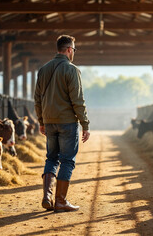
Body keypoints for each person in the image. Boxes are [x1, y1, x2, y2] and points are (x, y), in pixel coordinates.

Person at [34, 35, 90, 212]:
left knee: (51, 158)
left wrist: (41, 121)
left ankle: (47, 197)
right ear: (69, 49)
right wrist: (85, 124)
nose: (73, 53)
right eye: (73, 49)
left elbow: (37, 99)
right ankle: (61, 201)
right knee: (67, 160)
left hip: (49, 122)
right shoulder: (71, 70)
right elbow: (78, 100)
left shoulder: (43, 70)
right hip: (67, 123)